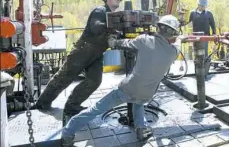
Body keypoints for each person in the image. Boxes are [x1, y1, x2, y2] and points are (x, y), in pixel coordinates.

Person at [61, 15, 181, 147]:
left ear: (158, 28)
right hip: (147, 94)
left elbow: (120, 44)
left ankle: (67, 132)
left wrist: (112, 40)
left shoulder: (144, 40)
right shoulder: (173, 52)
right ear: (173, 34)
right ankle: (141, 129)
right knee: (138, 101)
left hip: (127, 89)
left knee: (95, 109)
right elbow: (178, 42)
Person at [34, 0, 124, 118]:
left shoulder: (113, 17)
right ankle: (42, 103)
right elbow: (95, 27)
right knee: (64, 78)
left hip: (97, 54)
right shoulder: (101, 11)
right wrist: (113, 27)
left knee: (94, 81)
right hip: (83, 50)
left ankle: (72, 105)